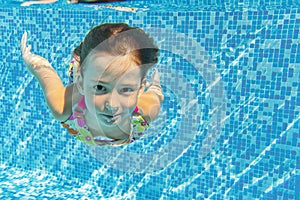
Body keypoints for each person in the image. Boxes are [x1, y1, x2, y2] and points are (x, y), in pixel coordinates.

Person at [21, 23, 164, 146]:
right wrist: (32, 61)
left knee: (92, 67)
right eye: (100, 88)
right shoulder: (64, 108)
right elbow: (47, 75)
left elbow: (156, 94)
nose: (112, 105)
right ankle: (81, 58)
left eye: (126, 89)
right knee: (79, 63)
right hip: (81, 82)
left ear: (140, 89)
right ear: (81, 83)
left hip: (90, 79)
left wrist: (155, 85)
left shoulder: (145, 112)